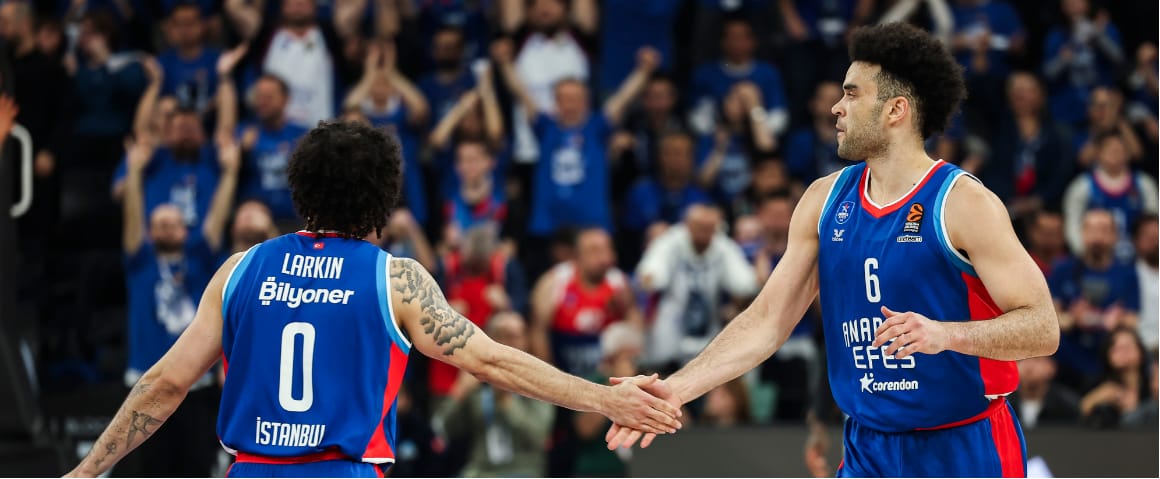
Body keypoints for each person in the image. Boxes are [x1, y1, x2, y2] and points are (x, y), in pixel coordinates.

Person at [63, 121, 681, 478]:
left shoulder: (241, 269)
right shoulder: (395, 280)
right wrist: (606, 397)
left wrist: (87, 470)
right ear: (384, 198)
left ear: (300, 190)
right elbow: (494, 361)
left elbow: (165, 384)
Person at [606, 23, 1059, 478]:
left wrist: (946, 335)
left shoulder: (963, 202)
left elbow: (1042, 328)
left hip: (964, 445)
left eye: (852, 94)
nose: (836, 107)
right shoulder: (824, 200)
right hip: (868, 447)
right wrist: (677, 389)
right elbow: (767, 321)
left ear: (896, 110)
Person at [434, 312, 554, 477]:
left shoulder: (539, 382)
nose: (510, 344)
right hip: (481, 471)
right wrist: (460, 391)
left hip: (524, 471)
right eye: (501, 335)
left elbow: (538, 436)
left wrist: (506, 399)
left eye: (516, 336)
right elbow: (441, 429)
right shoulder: (476, 382)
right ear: (489, 339)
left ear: (526, 340)